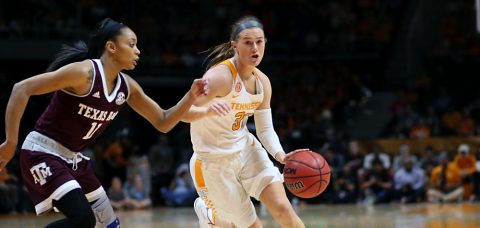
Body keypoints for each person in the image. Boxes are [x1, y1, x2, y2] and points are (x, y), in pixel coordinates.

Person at [0, 18, 208, 228]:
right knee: (83, 219)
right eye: (132, 44)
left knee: (110, 225)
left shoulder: (127, 87)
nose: (138, 51)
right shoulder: (84, 73)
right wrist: (10, 143)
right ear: (111, 47)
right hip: (42, 152)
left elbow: (163, 121)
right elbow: (21, 89)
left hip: (74, 159)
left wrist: (191, 96)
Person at [182, 16, 305, 228]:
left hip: (247, 150)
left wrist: (280, 155)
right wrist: (207, 111)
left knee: (285, 211)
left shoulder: (262, 82)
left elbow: (265, 129)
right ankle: (209, 214)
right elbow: (182, 112)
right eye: (248, 42)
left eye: (260, 41)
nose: (255, 48)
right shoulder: (220, 77)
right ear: (234, 45)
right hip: (214, 161)